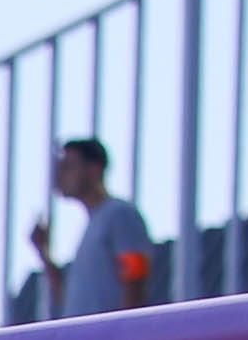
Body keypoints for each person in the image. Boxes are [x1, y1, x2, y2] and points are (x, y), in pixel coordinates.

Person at [30, 135, 161, 321]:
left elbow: (135, 276)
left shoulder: (119, 214)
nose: (59, 176)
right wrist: (43, 252)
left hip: (108, 336)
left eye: (68, 167)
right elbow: (71, 301)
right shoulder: (94, 225)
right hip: (89, 336)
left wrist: (125, 330)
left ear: (94, 169)